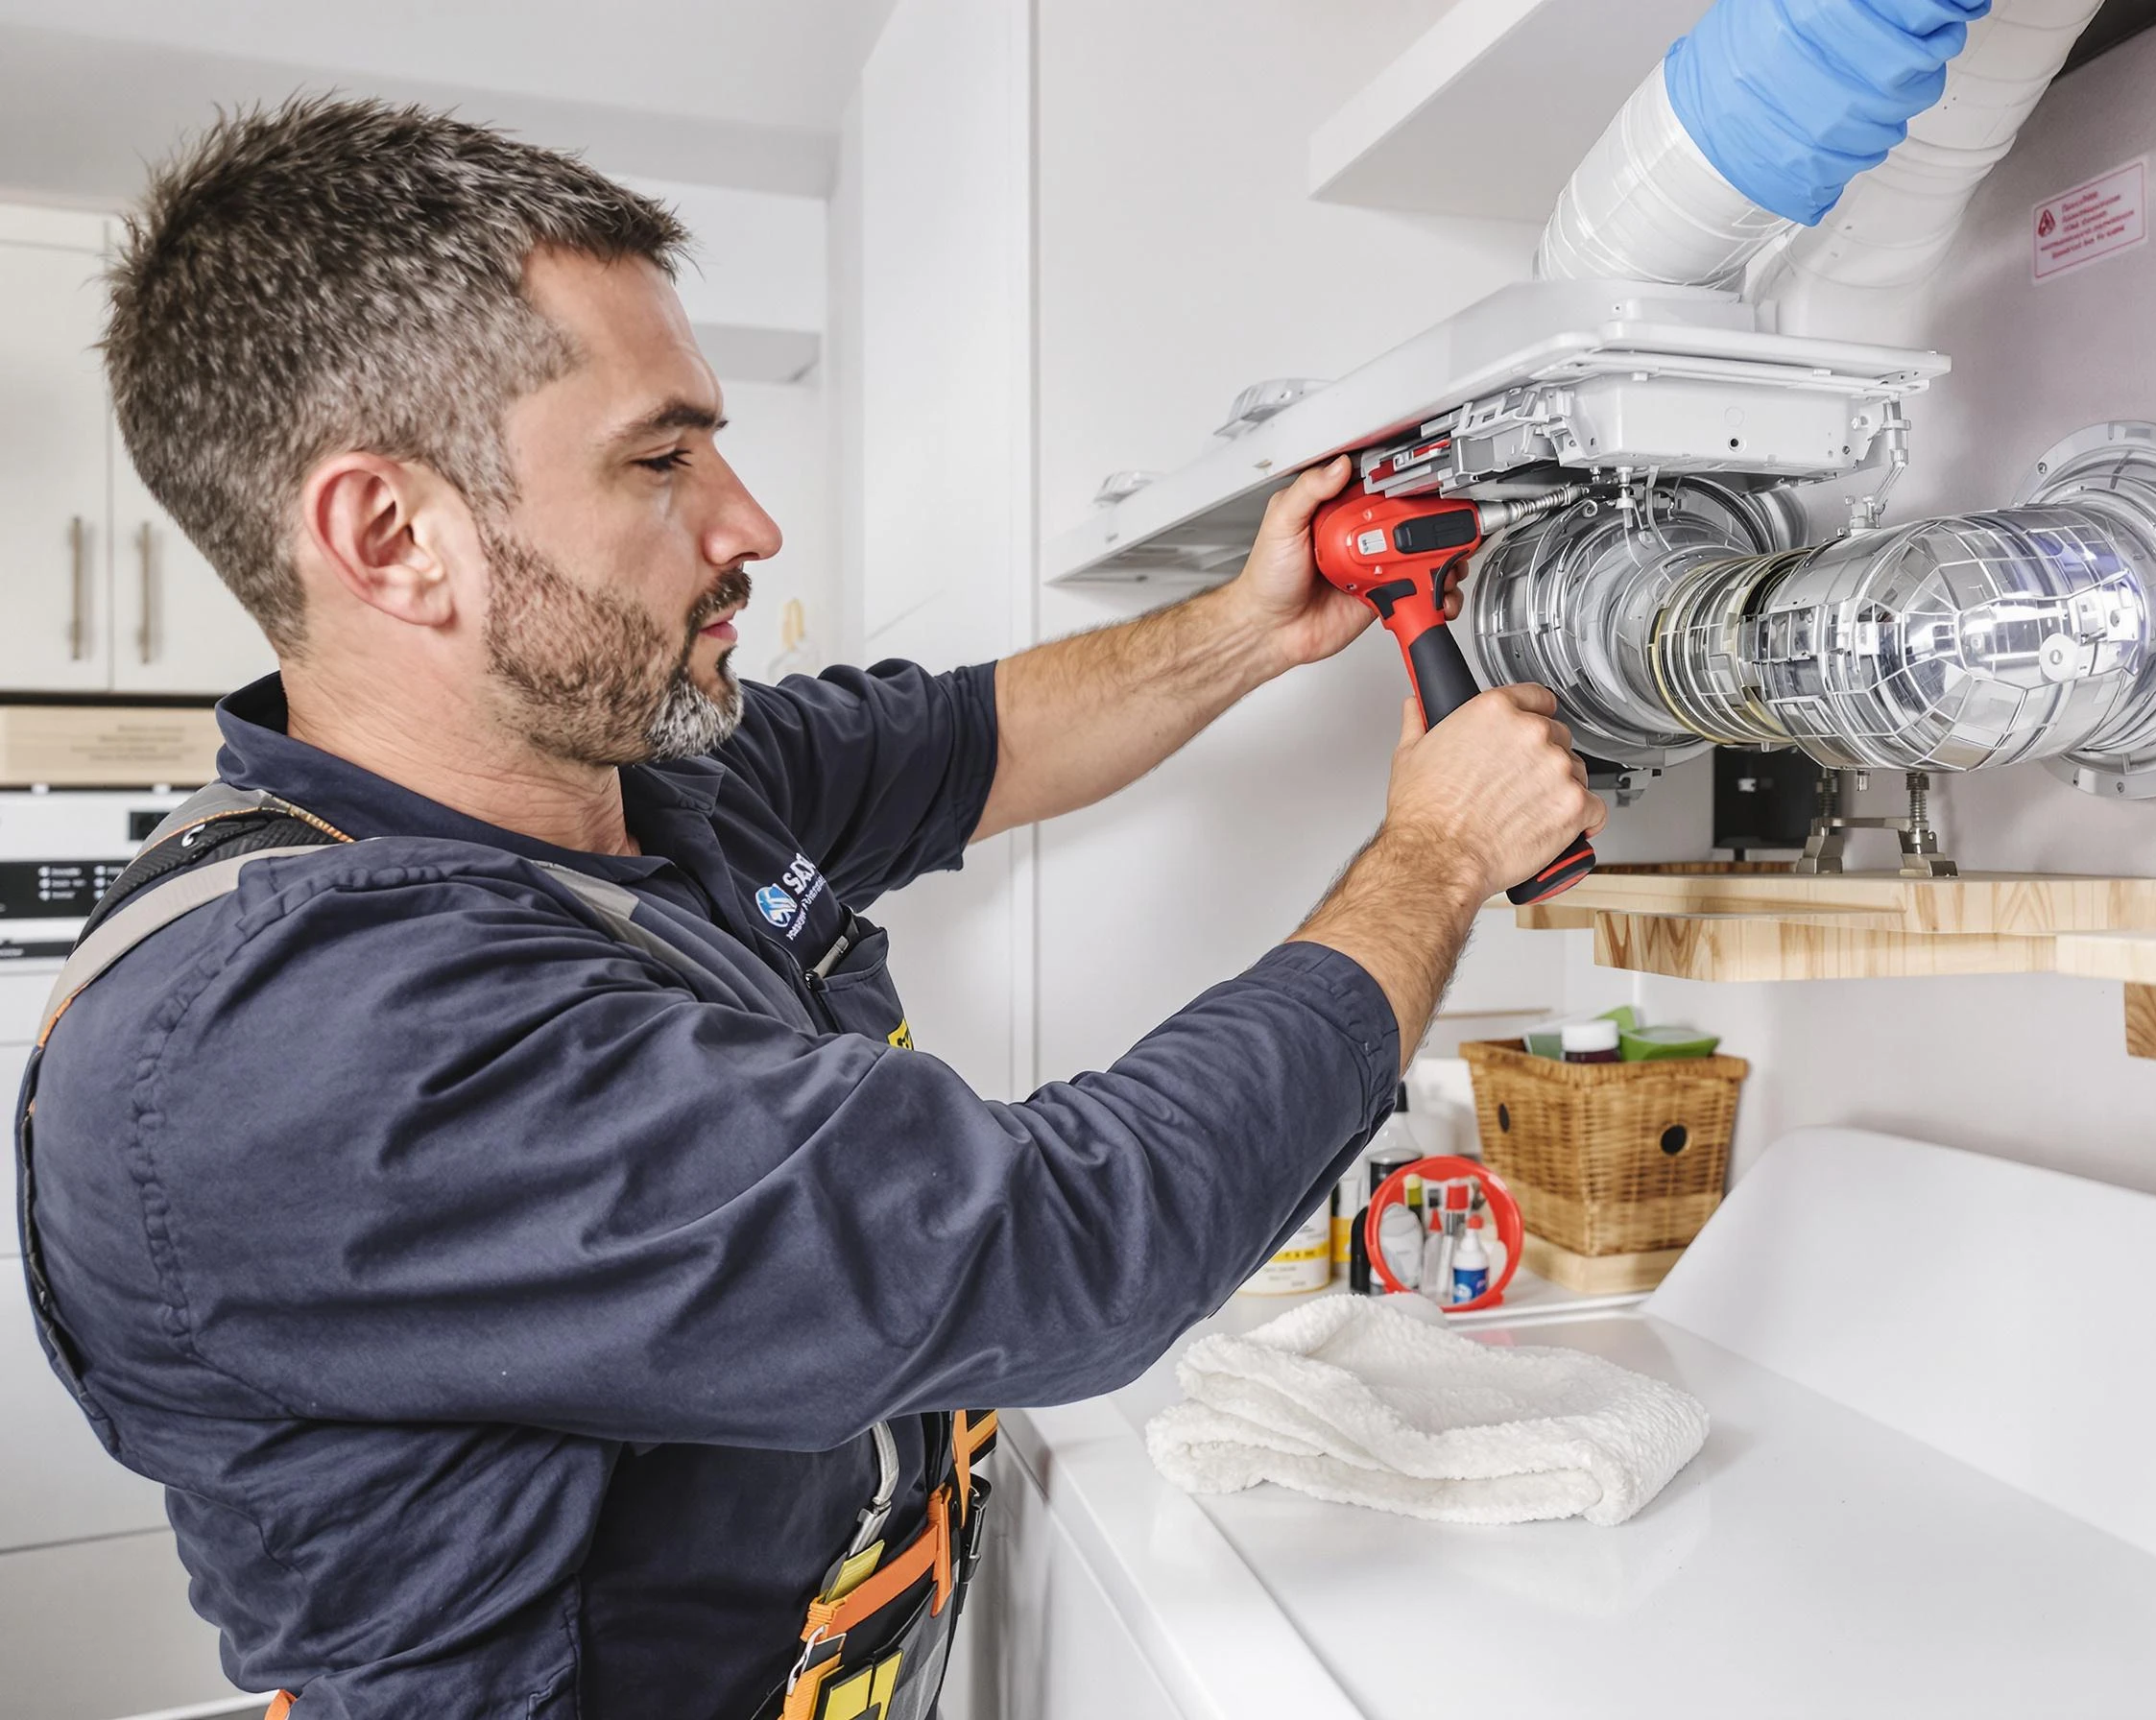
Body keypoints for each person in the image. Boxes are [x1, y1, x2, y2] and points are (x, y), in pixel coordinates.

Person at [16, 99, 1603, 1719]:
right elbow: (1067, 1244)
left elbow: (966, 743)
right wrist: (1436, 858)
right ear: (393, 537)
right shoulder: (309, 1049)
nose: (748, 524)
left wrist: (1253, 627)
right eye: (661, 457)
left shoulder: (628, 769)